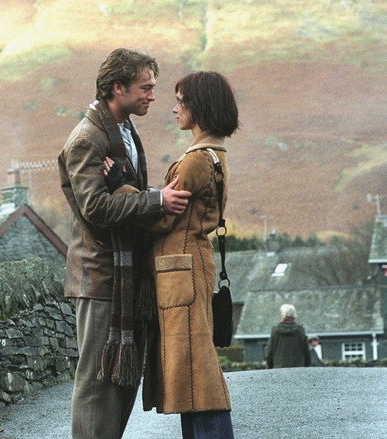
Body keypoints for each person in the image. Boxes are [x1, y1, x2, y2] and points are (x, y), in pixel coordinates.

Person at [57, 48, 191, 439]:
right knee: (98, 381)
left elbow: (119, 192)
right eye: (145, 87)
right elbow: (95, 207)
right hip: (100, 276)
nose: (152, 96)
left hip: (125, 273)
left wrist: (145, 195)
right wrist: (156, 201)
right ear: (118, 87)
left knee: (121, 379)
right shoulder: (87, 139)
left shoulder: (124, 130)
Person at [106, 71, 240, 438]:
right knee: (191, 372)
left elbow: (160, 218)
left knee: (196, 368)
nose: (174, 108)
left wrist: (121, 188)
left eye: (181, 102)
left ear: (200, 107)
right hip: (190, 265)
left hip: (180, 270)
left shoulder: (195, 161)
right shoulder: (214, 153)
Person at [264, 304, 311, 368]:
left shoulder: (275, 330)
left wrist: (270, 366)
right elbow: (306, 350)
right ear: (294, 315)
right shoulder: (300, 330)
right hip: (298, 368)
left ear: (282, 315)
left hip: (279, 368)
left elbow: (269, 351)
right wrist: (306, 365)